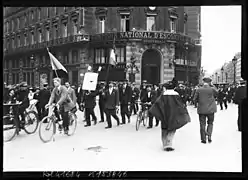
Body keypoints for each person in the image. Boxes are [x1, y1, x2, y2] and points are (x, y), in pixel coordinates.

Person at [149, 80, 191, 151]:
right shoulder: (176, 95)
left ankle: (164, 143)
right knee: (172, 129)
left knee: (164, 129)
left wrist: (157, 113)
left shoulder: (163, 95)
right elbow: (180, 106)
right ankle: (169, 143)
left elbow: (157, 104)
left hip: (165, 114)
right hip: (174, 115)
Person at [193, 77, 218, 144]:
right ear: (210, 82)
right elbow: (217, 93)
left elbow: (194, 99)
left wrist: (198, 103)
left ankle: (203, 139)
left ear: (203, 82)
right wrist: (213, 86)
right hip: (211, 109)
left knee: (202, 124)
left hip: (201, 110)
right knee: (210, 123)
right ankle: (209, 136)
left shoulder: (198, 89)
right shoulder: (212, 89)